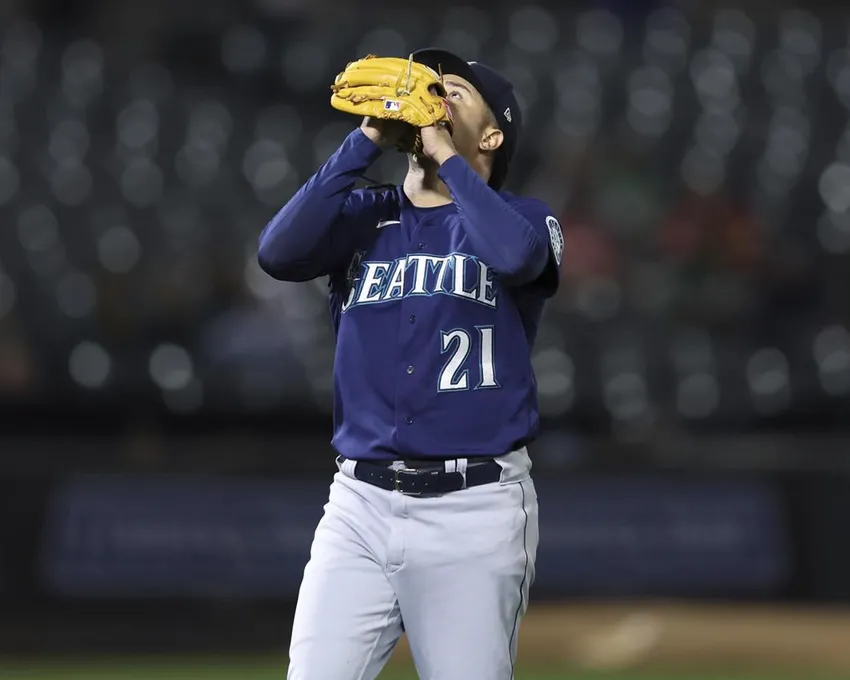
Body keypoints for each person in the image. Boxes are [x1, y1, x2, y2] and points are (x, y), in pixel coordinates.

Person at [258, 48, 563, 680]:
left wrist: (443, 152)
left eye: (454, 91)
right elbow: (278, 253)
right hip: (359, 505)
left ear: (493, 132)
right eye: (424, 85)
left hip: (474, 508)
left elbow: (515, 259)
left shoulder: (526, 219)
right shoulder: (365, 216)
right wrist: (368, 136)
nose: (432, 95)